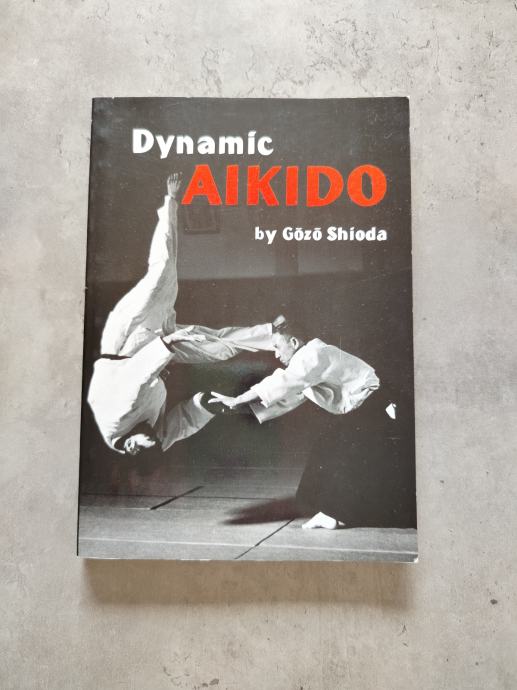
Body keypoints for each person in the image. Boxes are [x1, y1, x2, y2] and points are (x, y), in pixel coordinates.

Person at [87, 172, 280, 456]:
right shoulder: (151, 444)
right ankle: (274, 335)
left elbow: (136, 374)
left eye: (148, 436)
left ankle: (171, 200)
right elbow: (183, 423)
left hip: (128, 339)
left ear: (130, 446)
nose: (153, 432)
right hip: (157, 353)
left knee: (162, 272)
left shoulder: (117, 415)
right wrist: (206, 406)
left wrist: (172, 340)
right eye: (155, 438)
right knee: (218, 349)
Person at [210, 325, 415, 530]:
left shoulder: (314, 354)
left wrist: (238, 400)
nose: (276, 354)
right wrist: (241, 409)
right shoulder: (306, 365)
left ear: (293, 342)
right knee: (328, 445)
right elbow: (289, 397)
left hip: (378, 404)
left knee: (347, 452)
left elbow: (281, 383)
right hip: (367, 408)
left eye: (277, 347)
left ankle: (333, 514)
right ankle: (321, 508)